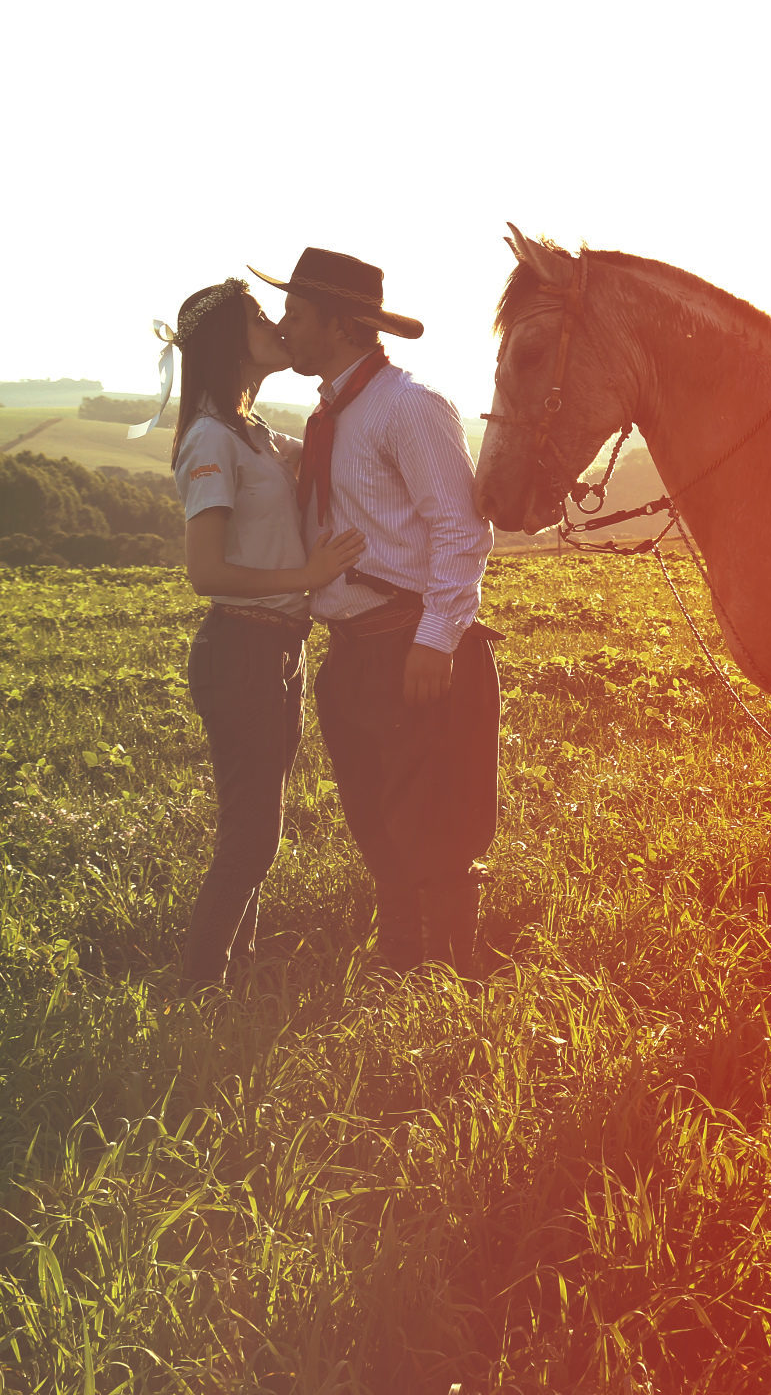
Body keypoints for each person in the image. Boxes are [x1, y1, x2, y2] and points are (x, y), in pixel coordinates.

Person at [249, 247, 499, 975]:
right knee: (376, 819)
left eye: (296, 312)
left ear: (339, 323)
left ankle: (453, 978)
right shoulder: (332, 413)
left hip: (408, 641)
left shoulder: (408, 406)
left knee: (437, 826)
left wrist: (436, 639)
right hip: (353, 649)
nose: (284, 324)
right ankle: (401, 960)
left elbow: (461, 528)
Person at [144, 278, 365, 987]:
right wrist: (307, 573)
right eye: (260, 316)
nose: (276, 323)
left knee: (256, 835)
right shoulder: (211, 439)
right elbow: (205, 570)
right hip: (240, 650)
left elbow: (336, 445)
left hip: (276, 651)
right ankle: (200, 988)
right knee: (252, 840)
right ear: (227, 343)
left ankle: (230, 980)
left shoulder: (255, 432)